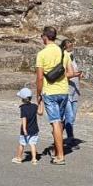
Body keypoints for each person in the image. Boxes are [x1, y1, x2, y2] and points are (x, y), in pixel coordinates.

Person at [33, 25, 71, 165]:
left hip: (50, 92)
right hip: (63, 90)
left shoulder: (42, 54)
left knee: (55, 122)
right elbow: (68, 72)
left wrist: (38, 94)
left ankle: (60, 156)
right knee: (59, 122)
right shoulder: (64, 53)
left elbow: (39, 78)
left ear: (45, 37)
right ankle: (56, 150)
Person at [60, 38, 82, 148]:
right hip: (67, 90)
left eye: (71, 43)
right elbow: (65, 75)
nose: (71, 44)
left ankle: (58, 132)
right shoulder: (63, 57)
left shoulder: (72, 57)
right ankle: (70, 139)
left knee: (72, 117)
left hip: (75, 91)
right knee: (69, 116)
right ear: (64, 46)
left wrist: (79, 76)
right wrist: (76, 75)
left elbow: (74, 72)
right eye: (68, 43)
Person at [12, 87, 40, 164]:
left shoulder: (23, 108)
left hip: (26, 130)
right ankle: (34, 159)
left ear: (22, 98)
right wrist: (42, 102)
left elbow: (24, 119)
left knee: (22, 144)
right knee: (32, 144)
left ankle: (19, 158)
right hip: (34, 129)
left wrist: (24, 129)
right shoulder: (35, 106)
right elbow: (40, 113)